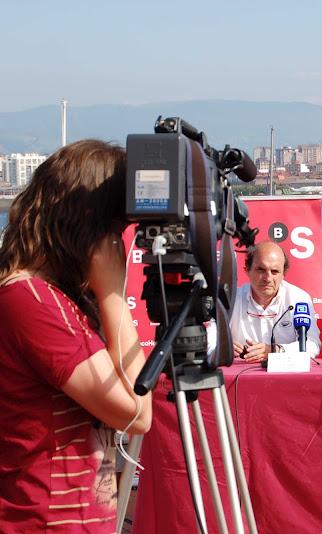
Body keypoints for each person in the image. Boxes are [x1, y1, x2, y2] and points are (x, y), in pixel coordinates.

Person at [0, 140, 152, 533]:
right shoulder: (29, 300)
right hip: (42, 522)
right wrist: (114, 294)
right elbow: (136, 412)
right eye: (116, 229)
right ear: (89, 224)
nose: (119, 244)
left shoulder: (49, 298)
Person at [230, 241, 321, 363]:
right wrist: (223, 347)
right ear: (247, 270)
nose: (267, 278)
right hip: (239, 377)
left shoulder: (299, 299)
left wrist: (276, 350)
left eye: (274, 271)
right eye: (261, 270)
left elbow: (312, 345)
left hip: (286, 378)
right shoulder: (231, 299)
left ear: (283, 274)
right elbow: (210, 339)